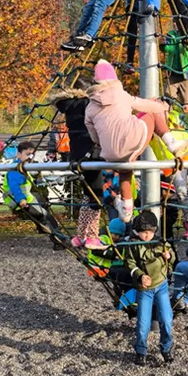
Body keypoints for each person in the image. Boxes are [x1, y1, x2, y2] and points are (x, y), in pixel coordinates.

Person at [84, 59, 188, 223]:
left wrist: (103, 144)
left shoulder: (90, 107)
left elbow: (93, 135)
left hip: (109, 153)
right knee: (152, 110)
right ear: (114, 80)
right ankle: (171, 143)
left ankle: (127, 208)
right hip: (133, 141)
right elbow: (143, 105)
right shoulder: (121, 95)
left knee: (125, 172)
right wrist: (163, 107)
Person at [51, 78, 107, 249]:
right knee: (96, 195)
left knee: (87, 194)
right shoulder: (89, 104)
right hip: (92, 151)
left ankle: (81, 235)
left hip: (76, 154)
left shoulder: (68, 106)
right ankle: (91, 236)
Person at [124, 211, 175, 366]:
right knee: (143, 323)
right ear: (137, 232)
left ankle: (166, 348)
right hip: (144, 289)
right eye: (143, 233)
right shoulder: (132, 245)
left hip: (161, 286)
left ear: (154, 231)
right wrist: (139, 275)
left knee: (166, 319)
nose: (146, 236)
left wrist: (169, 256)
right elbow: (129, 263)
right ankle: (141, 351)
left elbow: (172, 257)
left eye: (149, 232)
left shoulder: (162, 243)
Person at [2, 141, 52, 234]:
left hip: (27, 198)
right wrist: (21, 199)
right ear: (19, 154)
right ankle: (57, 236)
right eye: (27, 154)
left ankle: (46, 230)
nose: (30, 157)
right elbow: (14, 186)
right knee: (44, 215)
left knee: (42, 205)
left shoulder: (24, 167)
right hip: (19, 200)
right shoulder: (16, 169)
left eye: (32, 155)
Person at [160, 28, 188, 130]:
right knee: (166, 100)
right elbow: (168, 49)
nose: (175, 25)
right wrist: (163, 44)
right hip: (173, 73)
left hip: (187, 74)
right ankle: (166, 126)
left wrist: (185, 42)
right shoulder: (171, 34)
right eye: (174, 22)